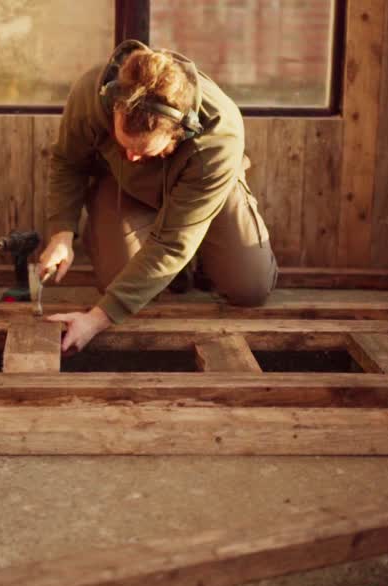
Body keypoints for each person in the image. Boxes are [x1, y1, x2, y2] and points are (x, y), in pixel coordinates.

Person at [37, 40, 279, 353]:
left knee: (250, 288)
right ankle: (167, 270)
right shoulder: (91, 94)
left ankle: (204, 256)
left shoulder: (220, 137)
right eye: (123, 146)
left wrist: (95, 319)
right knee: (119, 284)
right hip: (124, 186)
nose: (131, 157)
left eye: (143, 152)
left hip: (203, 190)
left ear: (182, 132)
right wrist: (61, 234)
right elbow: (69, 162)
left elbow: (171, 243)